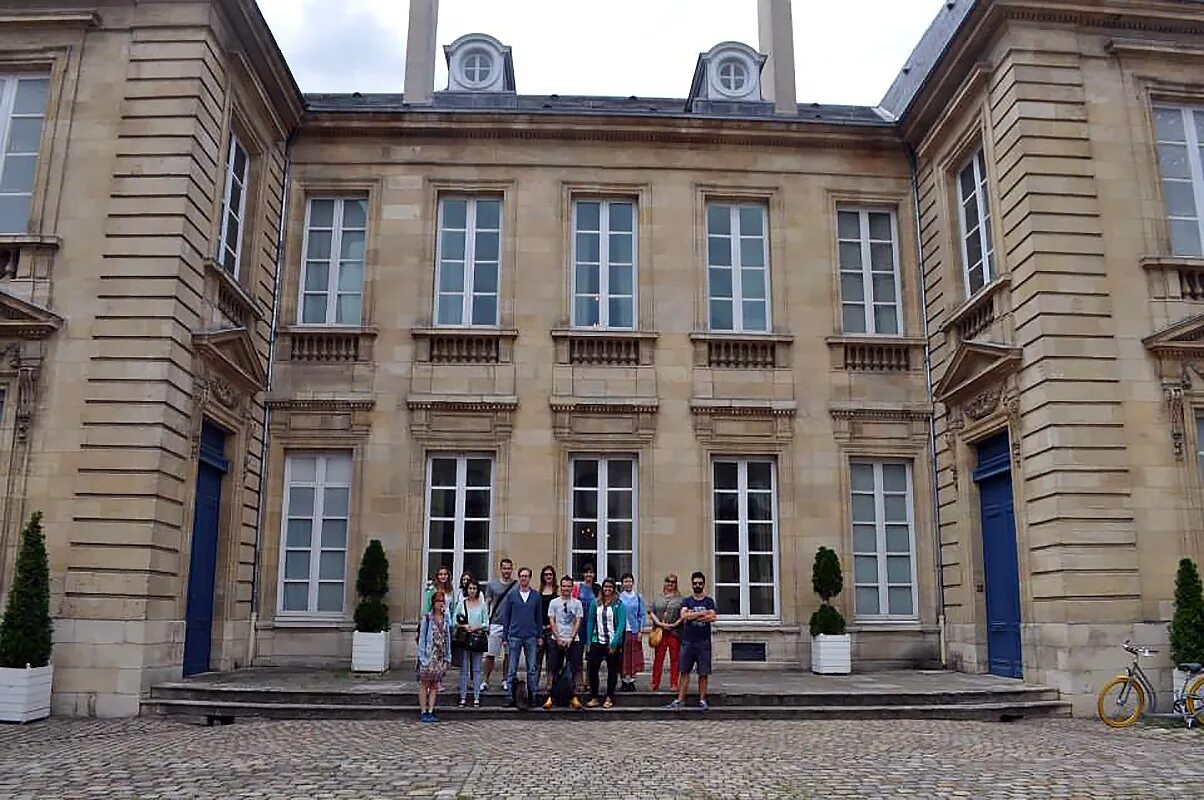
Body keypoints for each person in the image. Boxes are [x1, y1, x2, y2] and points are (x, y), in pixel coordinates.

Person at [668, 571, 717, 711]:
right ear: (692, 584)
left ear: (703, 584)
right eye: (695, 583)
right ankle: (680, 699)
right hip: (688, 641)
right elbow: (684, 616)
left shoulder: (709, 601)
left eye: (700, 583)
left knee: (703, 672)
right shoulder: (687, 601)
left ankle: (702, 700)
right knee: (684, 671)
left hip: (703, 641)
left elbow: (713, 617)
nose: (697, 585)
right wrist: (702, 613)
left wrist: (693, 615)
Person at [498, 566, 543, 707]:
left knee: (531, 669)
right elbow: (507, 617)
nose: (523, 579)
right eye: (521, 576)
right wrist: (505, 637)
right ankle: (511, 697)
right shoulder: (512, 596)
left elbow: (539, 617)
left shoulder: (536, 596)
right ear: (519, 578)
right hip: (514, 635)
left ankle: (533, 696)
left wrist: (539, 635)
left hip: (530, 635)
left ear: (530, 578)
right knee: (512, 669)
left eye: (526, 576)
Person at [584, 577, 627, 709]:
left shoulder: (619, 604)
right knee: (592, 669)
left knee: (612, 671)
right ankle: (595, 696)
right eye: (605, 587)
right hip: (598, 640)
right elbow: (590, 621)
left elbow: (621, 624)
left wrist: (614, 643)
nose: (607, 589)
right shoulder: (595, 603)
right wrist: (589, 641)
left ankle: (609, 697)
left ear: (614, 589)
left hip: (612, 642)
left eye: (610, 587)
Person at [543, 575, 584, 710]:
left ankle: (574, 696)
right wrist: (558, 638)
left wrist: (571, 638)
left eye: (568, 586)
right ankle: (550, 696)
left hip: (573, 640)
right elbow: (552, 621)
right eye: (564, 586)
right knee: (553, 668)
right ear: (561, 587)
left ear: (572, 588)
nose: (566, 588)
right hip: (556, 639)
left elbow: (578, 621)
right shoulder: (554, 602)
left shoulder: (577, 603)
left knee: (574, 668)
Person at [417, 591, 453, 722]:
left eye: (442, 601)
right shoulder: (427, 618)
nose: (440, 604)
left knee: (434, 684)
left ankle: (431, 710)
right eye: (438, 601)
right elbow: (422, 638)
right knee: (424, 683)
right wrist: (422, 657)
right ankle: (423, 710)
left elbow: (448, 637)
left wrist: (448, 656)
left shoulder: (446, 618)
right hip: (428, 654)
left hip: (440, 655)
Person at [482, 558, 516, 693]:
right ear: (500, 569)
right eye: (504, 568)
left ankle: (505, 679)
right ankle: (485, 680)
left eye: (509, 568)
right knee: (491, 654)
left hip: (511, 624)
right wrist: (487, 622)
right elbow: (487, 604)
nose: (507, 571)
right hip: (496, 623)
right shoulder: (492, 585)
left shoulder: (516, 585)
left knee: (508, 655)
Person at [456, 578, 489, 707]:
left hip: (477, 638)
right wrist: (464, 626)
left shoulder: (482, 605)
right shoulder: (461, 604)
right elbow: (455, 621)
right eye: (470, 588)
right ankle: (463, 697)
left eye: (474, 588)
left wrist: (476, 627)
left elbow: (486, 623)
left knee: (476, 669)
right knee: (464, 669)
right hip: (465, 638)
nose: (472, 591)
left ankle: (476, 697)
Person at [649, 573, 684, 692]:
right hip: (660, 632)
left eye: (673, 582)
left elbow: (683, 614)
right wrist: (659, 623)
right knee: (658, 659)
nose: (670, 584)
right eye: (668, 581)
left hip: (675, 632)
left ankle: (674, 683)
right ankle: (655, 682)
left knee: (675, 659)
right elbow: (651, 611)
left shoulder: (680, 599)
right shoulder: (658, 598)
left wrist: (675, 624)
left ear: (676, 584)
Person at [572, 563, 599, 693]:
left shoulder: (597, 588)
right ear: (583, 574)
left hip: (593, 625)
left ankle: (589, 681)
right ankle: (579, 682)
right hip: (579, 625)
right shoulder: (577, 587)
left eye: (591, 572)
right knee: (578, 655)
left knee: (591, 655)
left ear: (594, 574)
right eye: (586, 572)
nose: (589, 575)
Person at [618, 572, 646, 691]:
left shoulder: (638, 597)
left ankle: (632, 680)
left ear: (633, 583)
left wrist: (640, 630)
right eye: (625, 581)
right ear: (622, 584)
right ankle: (624, 680)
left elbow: (642, 614)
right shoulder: (619, 597)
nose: (628, 584)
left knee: (633, 656)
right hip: (623, 630)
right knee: (623, 656)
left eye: (630, 581)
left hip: (634, 630)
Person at [536, 565, 558, 691]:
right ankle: (535, 683)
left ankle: (550, 684)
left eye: (550, 574)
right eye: (546, 575)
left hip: (552, 629)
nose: (548, 577)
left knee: (551, 659)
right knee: (537, 659)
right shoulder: (539, 592)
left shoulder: (557, 591)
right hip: (540, 629)